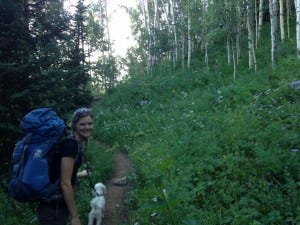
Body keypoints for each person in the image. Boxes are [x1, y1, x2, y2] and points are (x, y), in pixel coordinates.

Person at [37, 108, 93, 225]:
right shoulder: (70, 145)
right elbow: (64, 183)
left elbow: (59, 173)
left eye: (90, 123)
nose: (87, 127)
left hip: (55, 206)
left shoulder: (71, 142)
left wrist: (79, 174)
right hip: (54, 208)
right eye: (82, 124)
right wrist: (75, 216)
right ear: (74, 125)